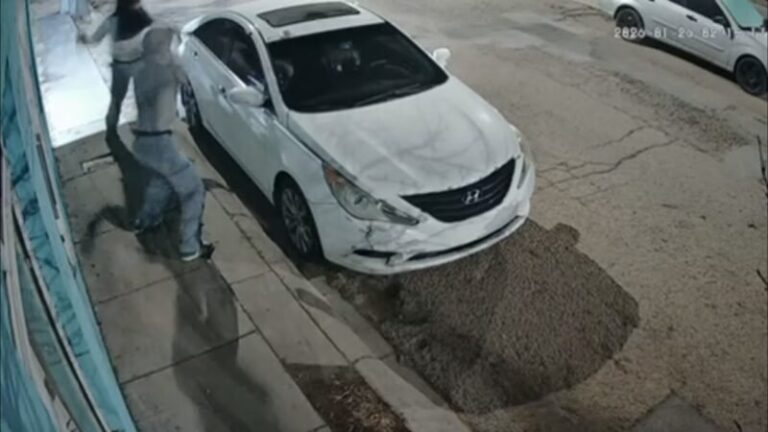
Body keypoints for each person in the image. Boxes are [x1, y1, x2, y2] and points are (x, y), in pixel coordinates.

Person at [131, 26, 213, 262]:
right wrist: (175, 81)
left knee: (161, 182)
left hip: (142, 144)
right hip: (159, 142)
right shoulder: (167, 76)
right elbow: (162, 118)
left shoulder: (141, 69)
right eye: (171, 46)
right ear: (163, 49)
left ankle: (145, 221)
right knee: (193, 190)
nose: (175, 51)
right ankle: (190, 246)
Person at [78, 0, 153, 138]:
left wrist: (84, 39)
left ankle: (111, 130)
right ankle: (145, 128)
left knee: (117, 99)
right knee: (142, 98)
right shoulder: (140, 16)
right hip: (139, 62)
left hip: (120, 65)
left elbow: (95, 39)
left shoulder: (112, 21)